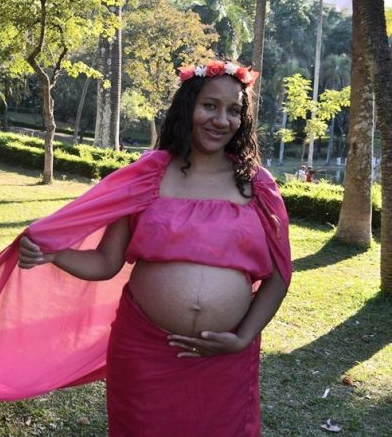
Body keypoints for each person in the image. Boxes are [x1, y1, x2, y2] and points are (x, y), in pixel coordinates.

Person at [18, 60, 291, 436]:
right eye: (210, 106)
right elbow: (106, 262)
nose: (221, 120)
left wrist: (242, 338)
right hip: (145, 350)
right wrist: (54, 254)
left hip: (224, 356)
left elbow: (279, 276)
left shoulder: (256, 184)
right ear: (188, 107)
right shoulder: (148, 174)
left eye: (233, 110)